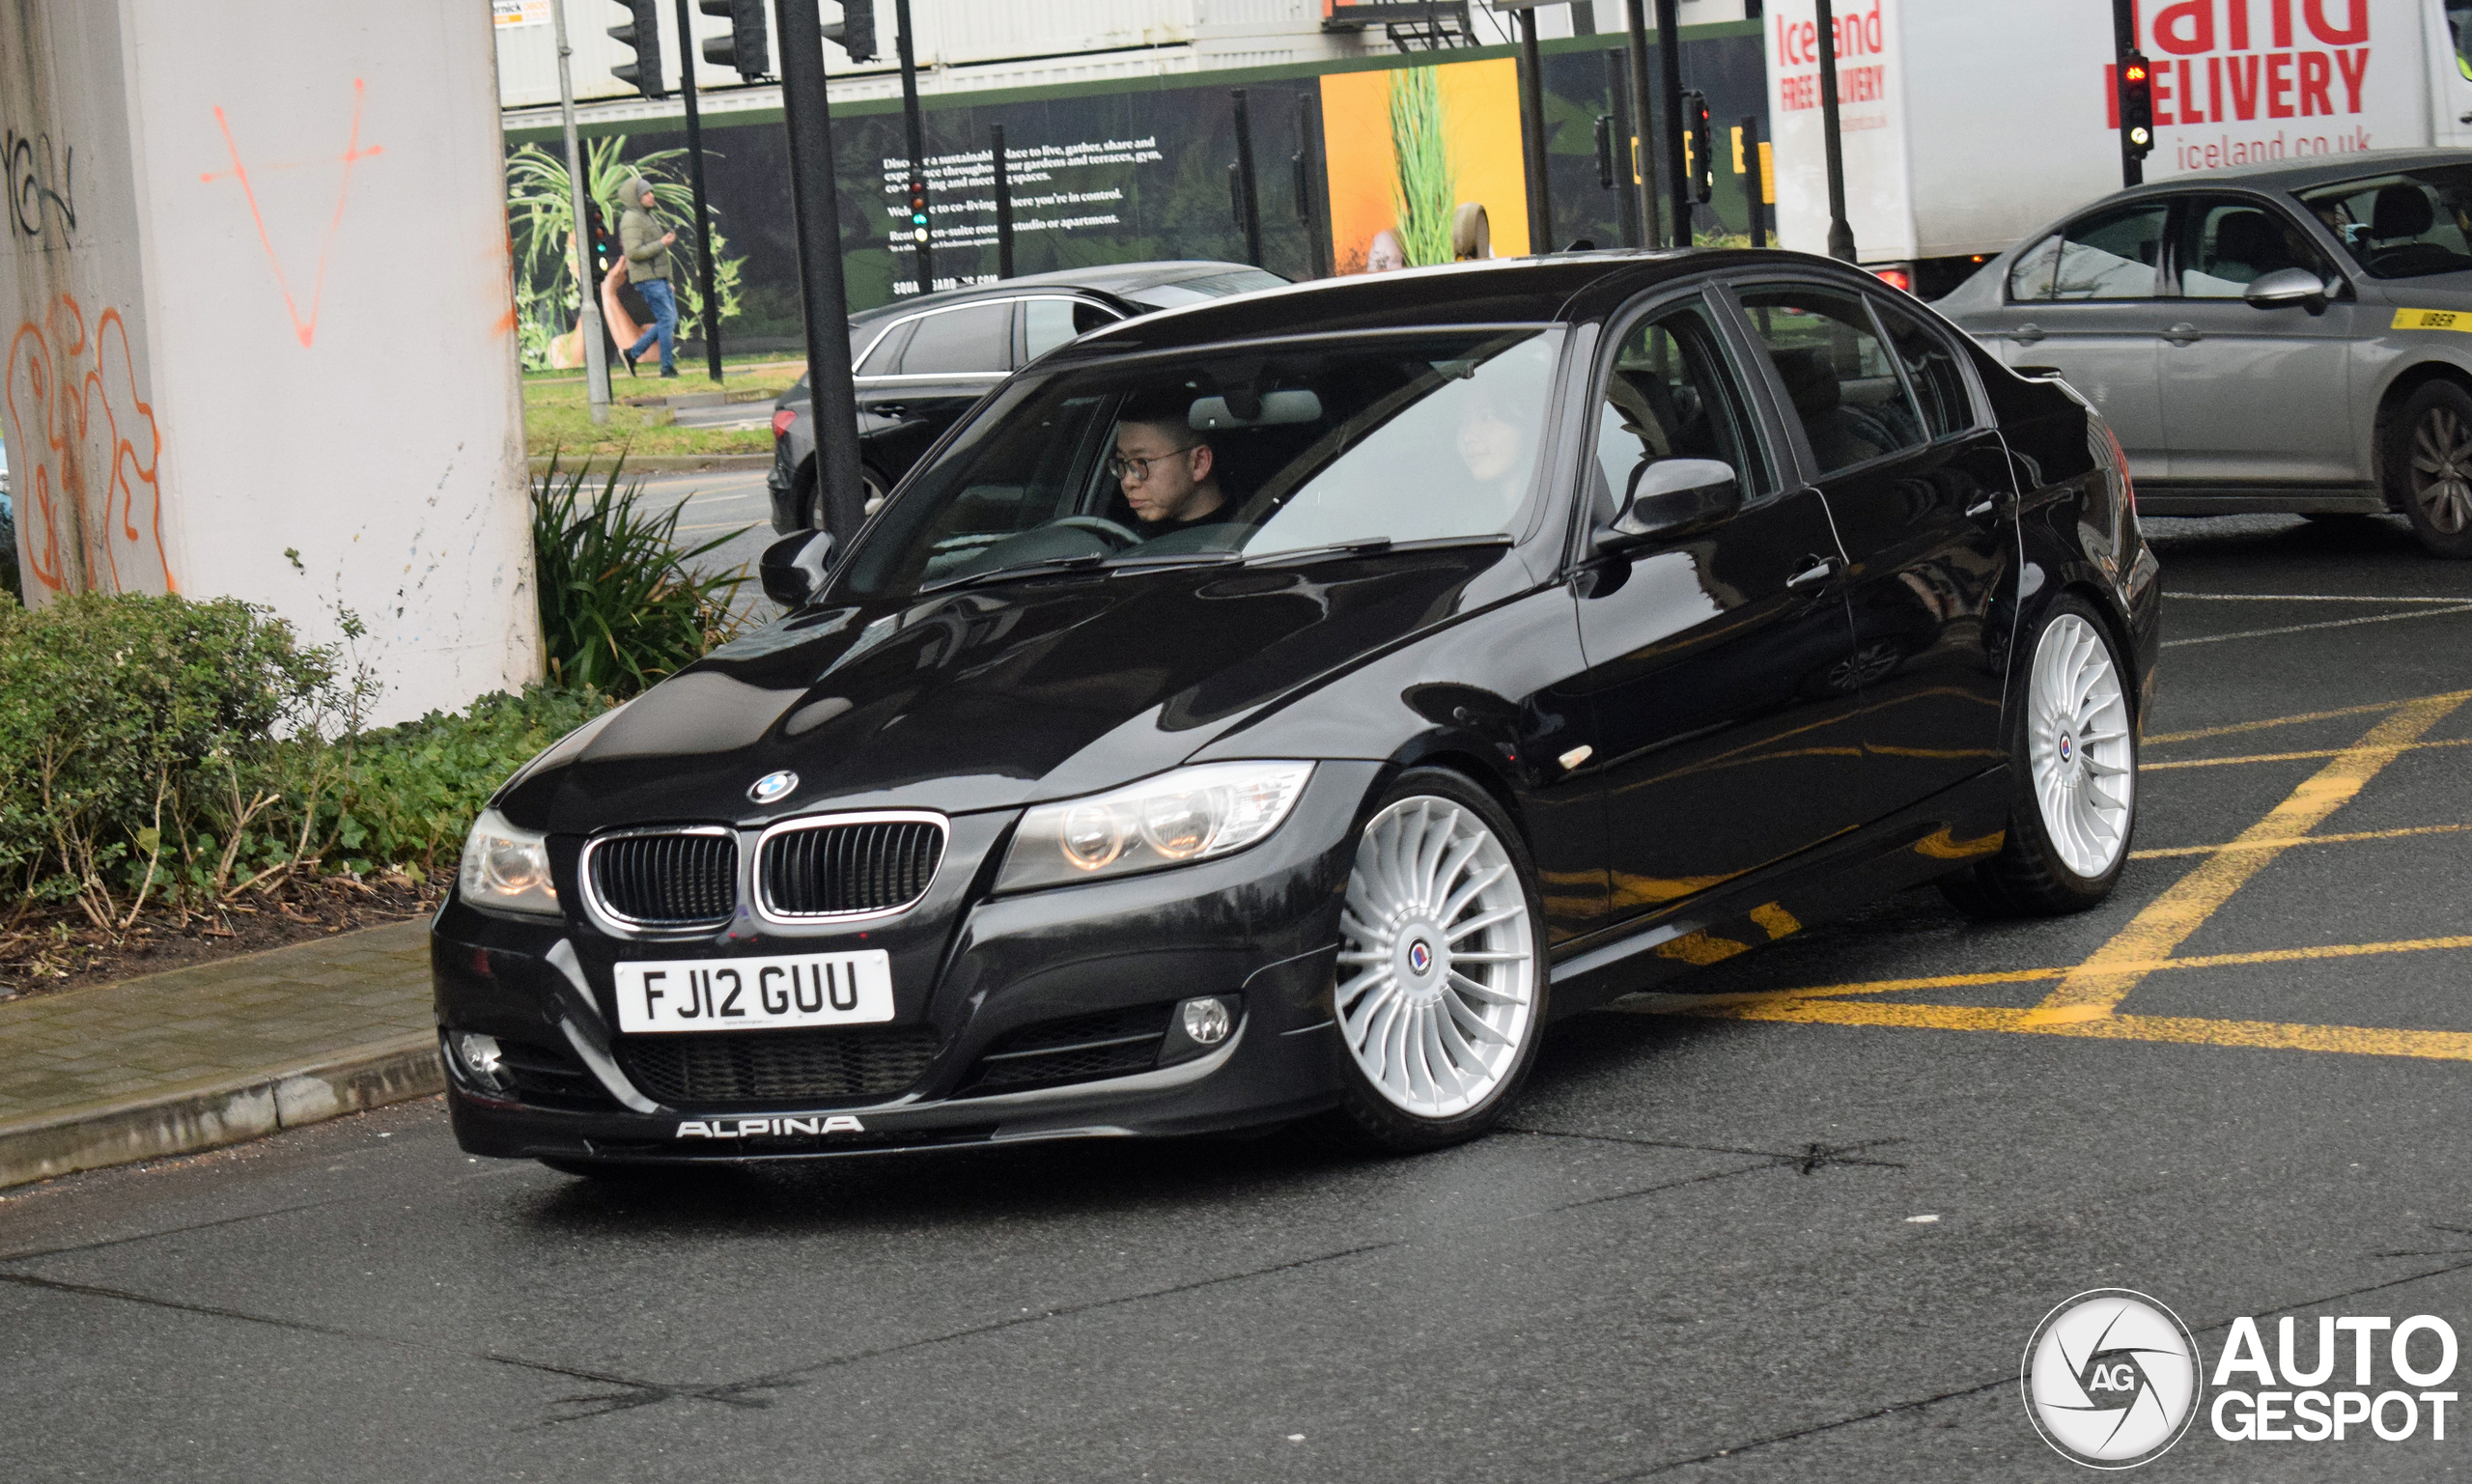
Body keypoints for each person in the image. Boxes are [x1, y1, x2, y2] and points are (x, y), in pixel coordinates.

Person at [1110, 399, 1228, 534]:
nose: (1128, 481)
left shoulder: (1252, 539)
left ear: (1198, 463)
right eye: (1121, 460)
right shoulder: (1120, 539)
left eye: (1142, 461)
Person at [617, 176, 679, 378]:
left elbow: (659, 253)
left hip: (658, 278)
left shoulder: (647, 216)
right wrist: (662, 243)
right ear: (636, 197)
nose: (651, 196)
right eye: (645, 193)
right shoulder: (631, 219)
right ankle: (666, 368)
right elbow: (633, 253)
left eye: (651, 191)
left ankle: (632, 354)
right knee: (667, 319)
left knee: (669, 319)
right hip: (648, 279)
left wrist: (667, 280)